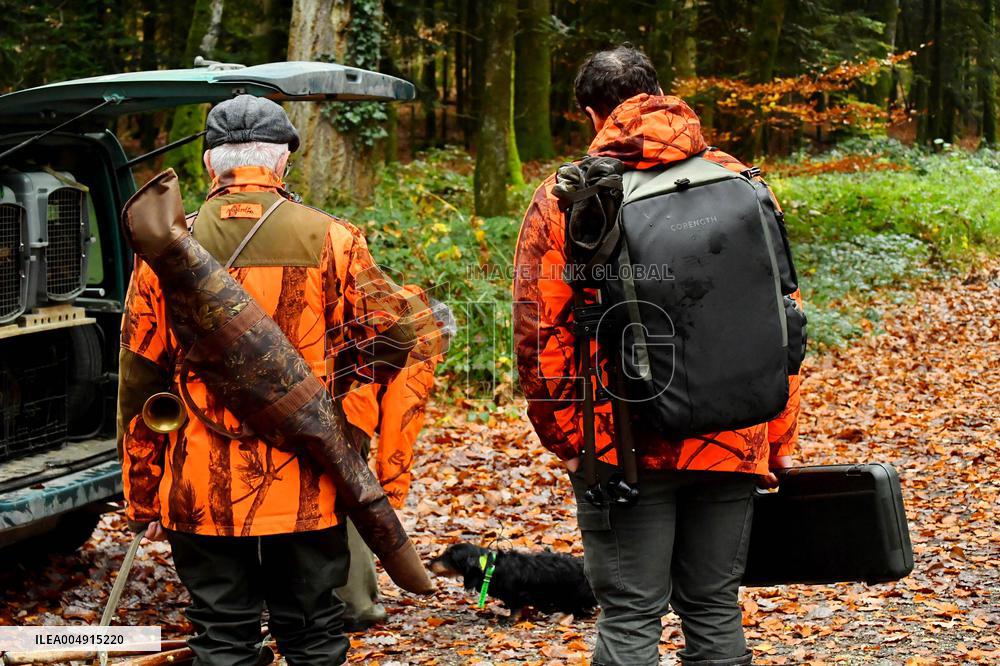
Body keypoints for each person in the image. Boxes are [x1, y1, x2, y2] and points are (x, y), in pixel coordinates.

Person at [512, 46, 803, 666]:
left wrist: (575, 444)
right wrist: (775, 436)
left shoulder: (569, 196)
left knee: (631, 615)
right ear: (660, 94)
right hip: (735, 431)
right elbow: (784, 318)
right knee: (715, 607)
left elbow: (542, 337)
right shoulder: (742, 180)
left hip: (622, 441)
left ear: (593, 114)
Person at [118, 95, 429, 666]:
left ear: (211, 164)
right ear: (283, 160)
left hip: (199, 481)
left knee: (221, 639)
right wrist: (335, 389)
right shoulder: (333, 239)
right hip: (308, 479)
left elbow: (140, 379)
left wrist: (142, 491)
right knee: (313, 636)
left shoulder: (163, 246)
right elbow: (396, 331)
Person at [338, 290, 452, 631]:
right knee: (352, 507)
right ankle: (356, 604)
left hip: (301, 397)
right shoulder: (421, 335)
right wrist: (391, 485)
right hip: (347, 413)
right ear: (441, 331)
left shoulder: (383, 302)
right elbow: (401, 419)